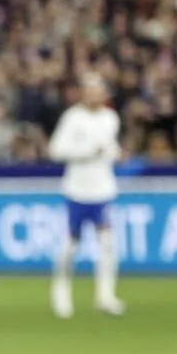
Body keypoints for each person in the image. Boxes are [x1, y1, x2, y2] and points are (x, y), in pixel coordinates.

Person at [48, 73, 125, 318]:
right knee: (71, 246)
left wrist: (114, 152)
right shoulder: (72, 118)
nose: (94, 95)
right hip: (77, 190)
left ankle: (105, 296)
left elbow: (112, 148)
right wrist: (87, 151)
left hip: (102, 189)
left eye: (98, 90)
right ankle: (61, 293)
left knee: (107, 244)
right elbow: (56, 150)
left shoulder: (110, 118)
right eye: (90, 90)